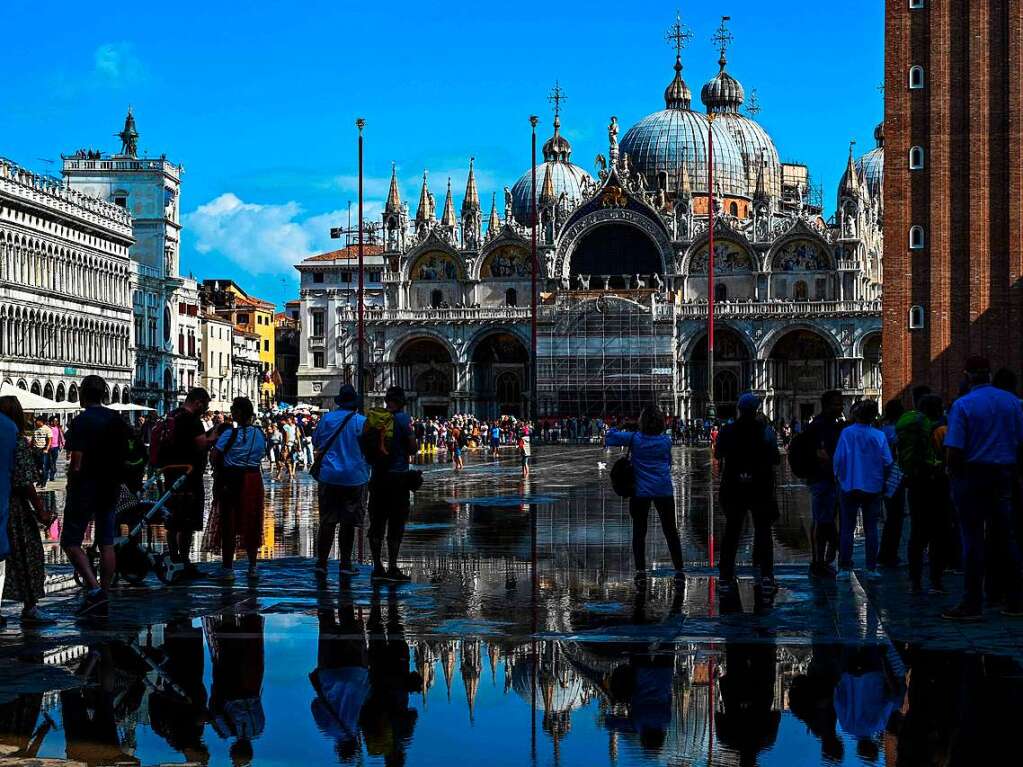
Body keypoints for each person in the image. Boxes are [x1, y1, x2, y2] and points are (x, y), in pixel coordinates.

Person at [942, 357, 1023, 620]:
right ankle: (1015, 600)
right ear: (988, 374)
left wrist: (953, 480)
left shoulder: (963, 404)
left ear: (967, 376)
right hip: (1005, 474)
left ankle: (972, 604)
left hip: (972, 475)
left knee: (973, 540)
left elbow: (954, 450)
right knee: (1006, 538)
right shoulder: (1013, 402)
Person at [60, 375, 130, 617]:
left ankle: (94, 590)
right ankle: (105, 591)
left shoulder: (81, 422)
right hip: (111, 486)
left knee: (70, 541)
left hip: (85, 487)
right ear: (104, 394)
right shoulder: (117, 420)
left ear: (83, 393)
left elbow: (76, 463)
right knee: (106, 542)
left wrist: (71, 483)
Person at [605, 406, 685, 574]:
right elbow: (668, 463)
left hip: (640, 491)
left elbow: (609, 437)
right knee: (670, 531)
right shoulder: (666, 441)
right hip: (663, 489)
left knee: (639, 532)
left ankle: (640, 570)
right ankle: (679, 567)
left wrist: (622, 425)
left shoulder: (635, 439)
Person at [715, 393, 780, 592]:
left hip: (733, 486)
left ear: (739, 410)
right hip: (760, 487)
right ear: (756, 410)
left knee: (732, 531)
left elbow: (718, 454)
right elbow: (775, 458)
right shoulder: (766, 431)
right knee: (763, 531)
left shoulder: (727, 431)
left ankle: (725, 576)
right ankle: (767, 576)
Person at [0, 397, 56, 627]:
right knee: (26, 554)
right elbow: (24, 482)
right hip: (14, 508)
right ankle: (30, 607)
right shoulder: (15, 436)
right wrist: (41, 510)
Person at [159, 388, 219, 580]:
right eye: (205, 406)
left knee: (173, 520)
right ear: (198, 403)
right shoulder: (192, 420)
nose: (205, 410)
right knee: (187, 522)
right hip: (189, 476)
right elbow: (201, 444)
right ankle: (183, 562)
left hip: (170, 474)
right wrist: (215, 435)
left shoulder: (172, 415)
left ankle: (175, 557)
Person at [313, 384, 369, 581]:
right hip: (354, 478)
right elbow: (368, 449)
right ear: (355, 404)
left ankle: (321, 564)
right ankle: (345, 563)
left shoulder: (327, 419)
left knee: (327, 522)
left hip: (329, 476)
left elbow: (316, 442)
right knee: (348, 523)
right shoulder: (362, 421)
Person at [832, 400, 892, 579]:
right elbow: (888, 462)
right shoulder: (879, 436)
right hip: (873, 486)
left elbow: (838, 459)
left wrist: (839, 478)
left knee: (847, 528)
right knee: (871, 528)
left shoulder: (847, 433)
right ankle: (871, 568)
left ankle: (844, 567)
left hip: (849, 485)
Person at [209, 397, 266, 581]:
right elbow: (261, 454)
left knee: (228, 523)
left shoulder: (229, 434)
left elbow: (215, 455)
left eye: (233, 410)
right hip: (253, 479)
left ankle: (228, 568)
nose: (231, 413)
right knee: (252, 522)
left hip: (232, 479)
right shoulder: (259, 434)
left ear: (240, 413)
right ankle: (252, 566)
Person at [367, 387, 418, 582]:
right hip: (398, 478)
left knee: (377, 523)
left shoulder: (374, 418)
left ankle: (377, 566)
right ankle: (393, 566)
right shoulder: (403, 419)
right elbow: (412, 448)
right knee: (396, 524)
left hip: (377, 477)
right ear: (402, 402)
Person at [804, 390, 846, 578]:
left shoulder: (830, 424)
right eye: (837, 404)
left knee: (825, 519)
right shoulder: (820, 425)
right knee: (822, 521)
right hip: (822, 479)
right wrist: (836, 471)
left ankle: (823, 560)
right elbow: (822, 454)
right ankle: (819, 562)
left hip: (826, 479)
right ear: (827, 405)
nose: (841, 407)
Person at [877, 399, 906, 568]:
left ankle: (887, 553)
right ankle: (889, 554)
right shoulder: (897, 431)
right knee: (895, 516)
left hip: (883, 476)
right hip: (895, 474)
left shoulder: (882, 430)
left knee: (891, 516)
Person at [30, 418, 50, 488]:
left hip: (43, 449)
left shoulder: (47, 429)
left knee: (43, 467)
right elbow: (33, 439)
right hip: (35, 449)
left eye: (36, 421)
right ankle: (39, 480)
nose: (35, 422)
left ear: (41, 421)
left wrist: (46, 448)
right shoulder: (35, 429)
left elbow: (50, 439)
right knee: (37, 467)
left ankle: (43, 482)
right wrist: (31, 447)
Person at [47, 416, 64, 482]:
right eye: (55, 421)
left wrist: (62, 444)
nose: (57, 422)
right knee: (50, 462)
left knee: (53, 462)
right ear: (51, 422)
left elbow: (61, 437)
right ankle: (50, 475)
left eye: (57, 421)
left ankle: (52, 476)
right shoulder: (48, 428)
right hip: (49, 447)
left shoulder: (58, 428)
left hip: (56, 447)